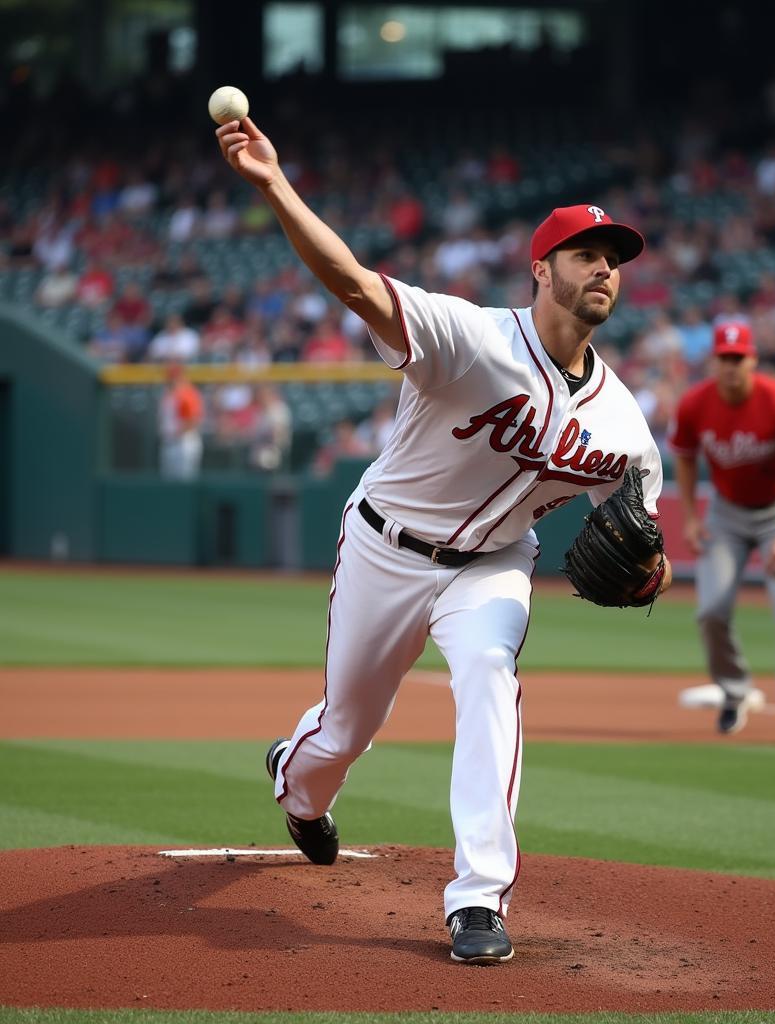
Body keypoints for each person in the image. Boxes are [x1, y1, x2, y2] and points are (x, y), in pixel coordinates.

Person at [215, 114, 671, 964]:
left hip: (493, 568)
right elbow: (353, 283)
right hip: (386, 547)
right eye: (587, 254)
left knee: (489, 677)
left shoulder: (625, 425)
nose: (606, 268)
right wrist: (274, 183)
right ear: (543, 269)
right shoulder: (470, 337)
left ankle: (477, 899)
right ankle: (297, 786)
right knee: (341, 735)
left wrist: (649, 576)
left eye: (616, 259)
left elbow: (651, 540)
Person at [668, 321, 775, 748]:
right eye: (725, 358)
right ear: (714, 361)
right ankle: (734, 691)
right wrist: (692, 518)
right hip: (727, 514)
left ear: (752, 359)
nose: (732, 366)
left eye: (739, 358)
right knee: (711, 610)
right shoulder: (695, 404)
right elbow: (683, 458)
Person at [158, 363, 204, 480]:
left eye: (174, 376)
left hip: (184, 442)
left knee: (185, 482)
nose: (171, 379)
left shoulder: (188, 393)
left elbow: (194, 419)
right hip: (170, 442)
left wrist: (177, 433)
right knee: (168, 482)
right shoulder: (169, 394)